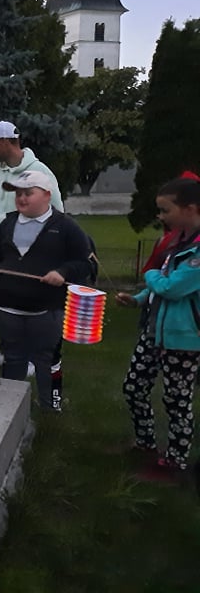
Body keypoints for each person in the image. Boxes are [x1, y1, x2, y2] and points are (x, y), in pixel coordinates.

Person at [0, 171, 91, 410]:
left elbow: (84, 263)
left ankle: (50, 405)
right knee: (13, 356)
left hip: (46, 309)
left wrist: (63, 272)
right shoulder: (8, 223)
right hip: (7, 307)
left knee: (46, 359)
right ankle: (10, 406)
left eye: (28, 193)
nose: (21, 198)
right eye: (18, 194)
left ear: (46, 195)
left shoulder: (65, 226)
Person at [116, 176, 200, 480]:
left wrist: (150, 274)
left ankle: (175, 461)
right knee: (134, 387)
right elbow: (161, 286)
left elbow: (171, 288)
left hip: (183, 341)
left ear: (190, 209)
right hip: (153, 333)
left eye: (165, 210)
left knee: (177, 401)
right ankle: (145, 442)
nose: (160, 216)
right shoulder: (177, 242)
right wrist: (138, 299)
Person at [0, 121, 64, 373]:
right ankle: (8, 350)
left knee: (27, 302)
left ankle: (34, 359)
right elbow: (0, 210)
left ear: (5, 141)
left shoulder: (39, 172)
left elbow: (57, 212)